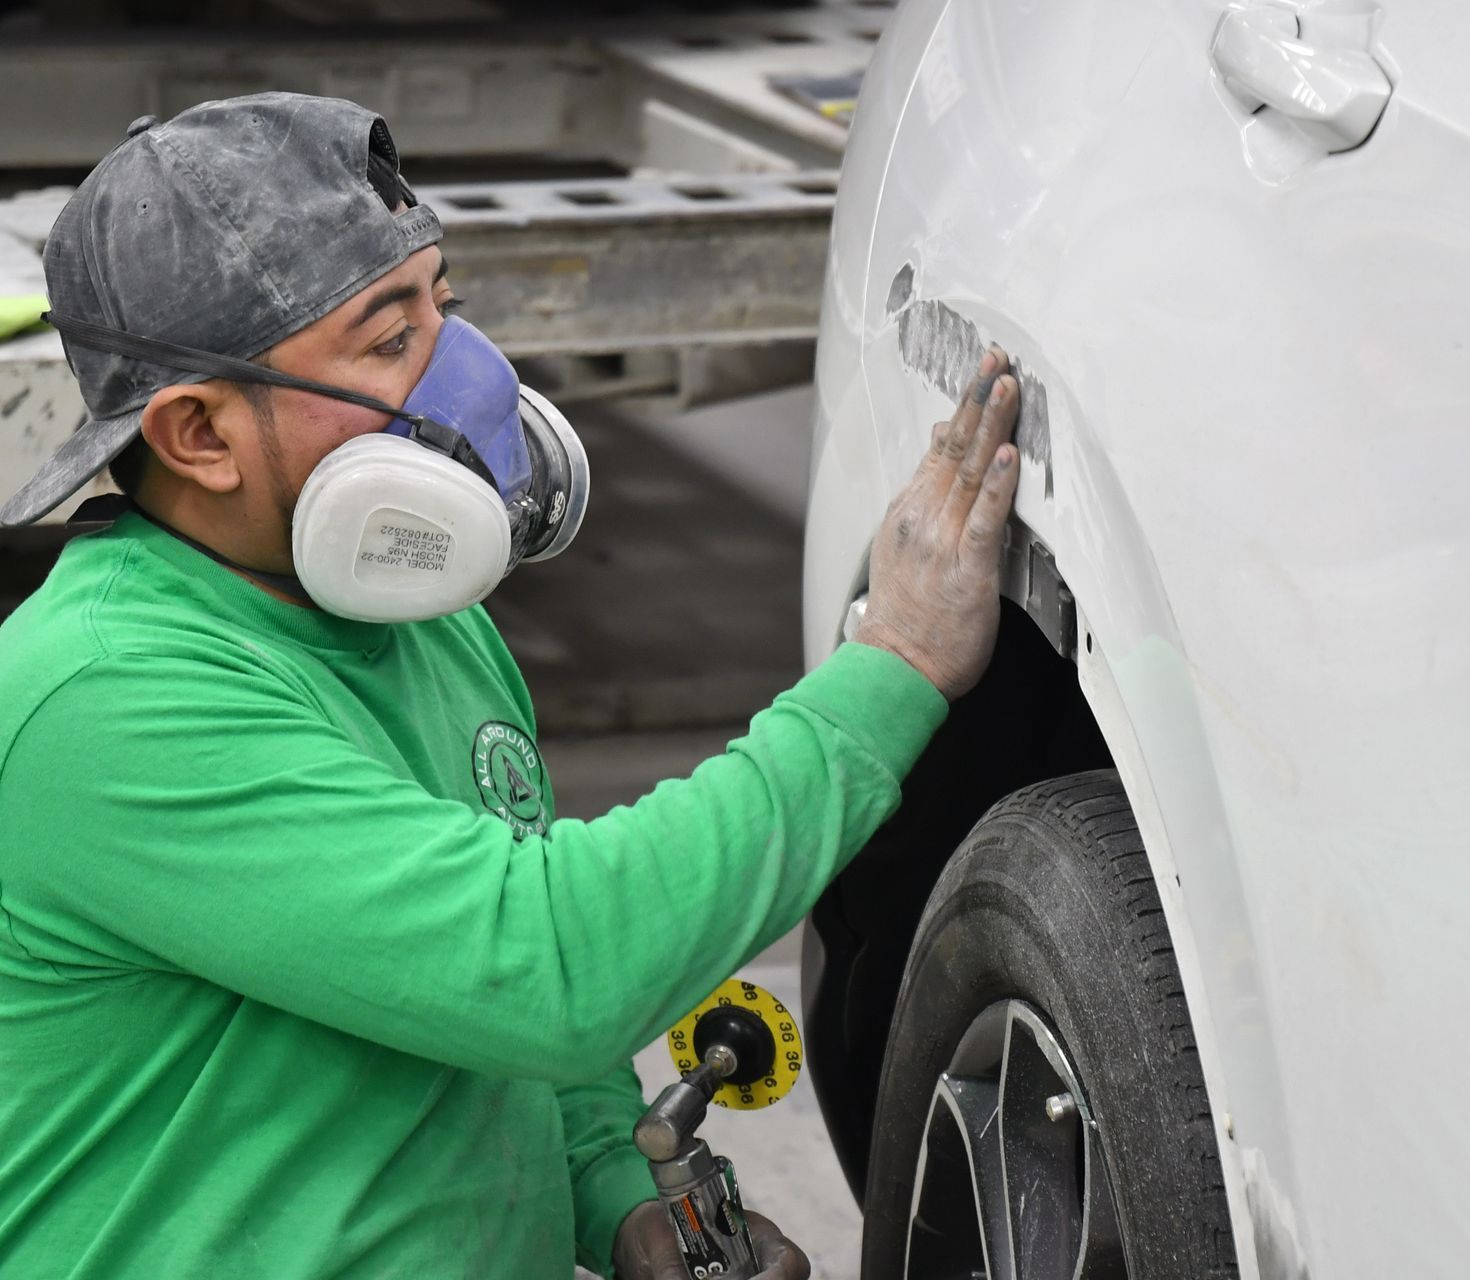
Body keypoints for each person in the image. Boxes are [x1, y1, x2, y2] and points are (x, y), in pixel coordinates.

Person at [0, 93, 1023, 1278]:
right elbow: (544, 966)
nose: (466, 378)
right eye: (390, 342)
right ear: (199, 437)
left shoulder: (431, 631)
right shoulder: (109, 696)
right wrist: (886, 669)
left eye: (449, 306)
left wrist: (620, 1192)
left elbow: (515, 1038)